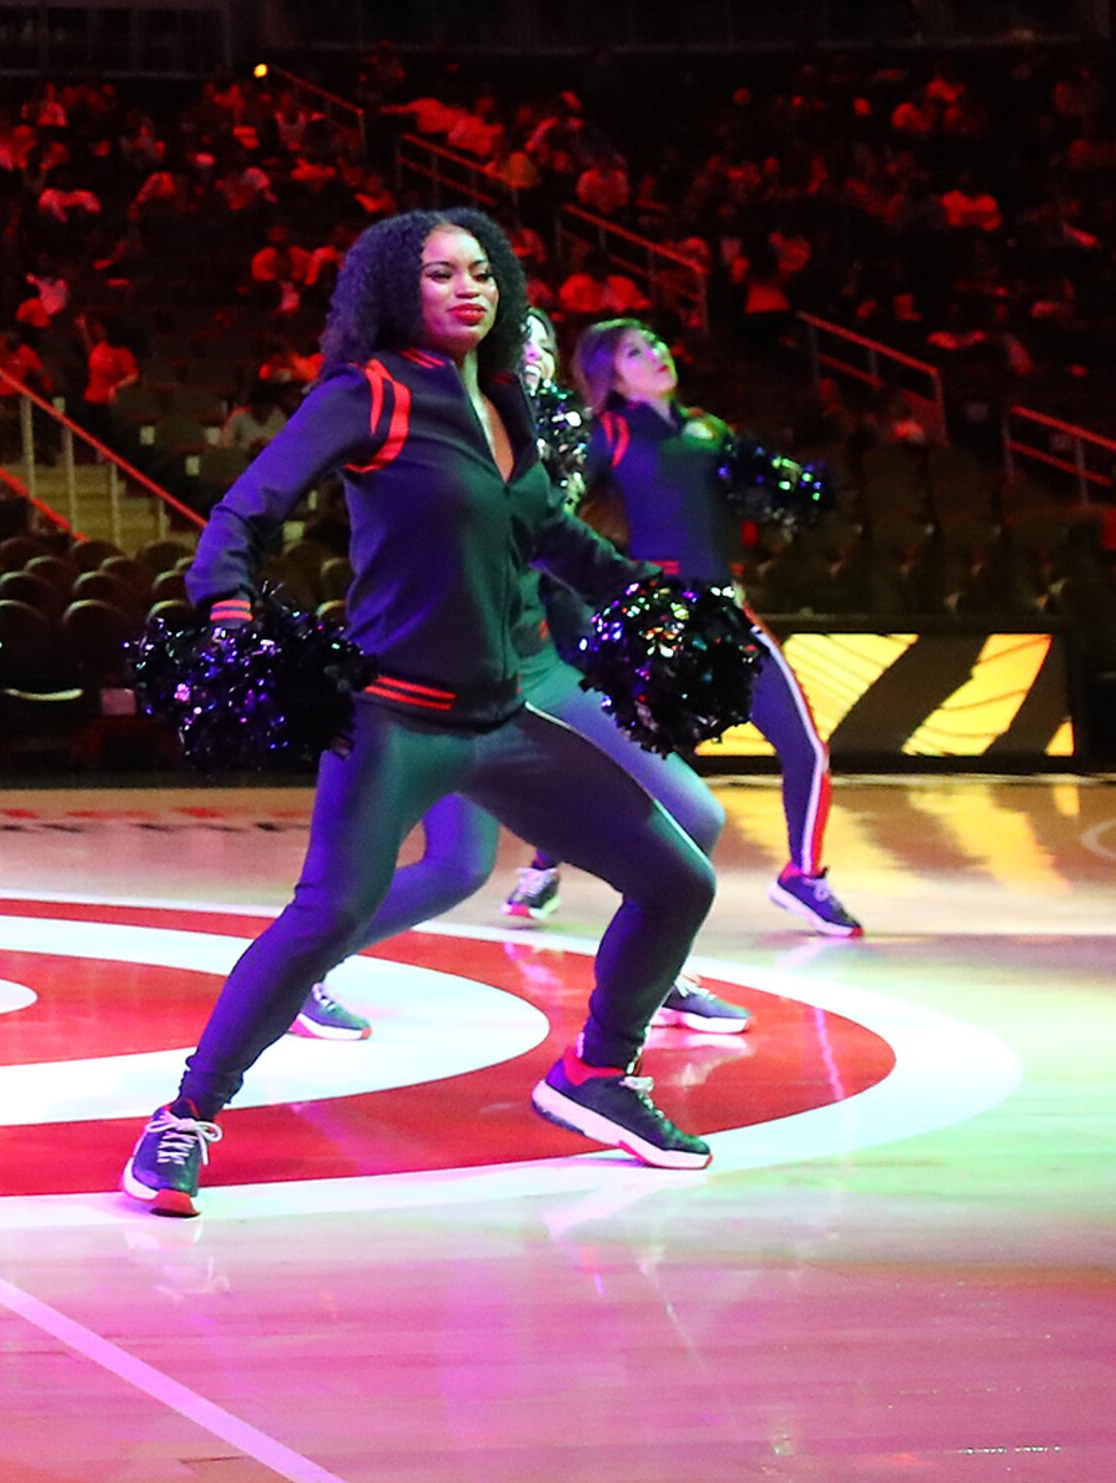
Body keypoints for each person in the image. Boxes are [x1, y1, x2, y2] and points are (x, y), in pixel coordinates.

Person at [116, 211, 720, 1216]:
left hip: (505, 719)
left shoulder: (503, 405)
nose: (468, 289)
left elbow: (545, 528)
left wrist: (646, 596)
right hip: (396, 716)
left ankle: (597, 1073)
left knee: (677, 879)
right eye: (442, 274)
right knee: (327, 917)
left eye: (481, 271)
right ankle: (184, 1114)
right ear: (401, 291)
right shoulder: (369, 395)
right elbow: (246, 512)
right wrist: (227, 605)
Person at [285, 307, 754, 1044]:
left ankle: (652, 974)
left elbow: (573, 542)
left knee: (696, 815)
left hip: (541, 667)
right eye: (515, 340)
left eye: (540, 342)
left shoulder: (551, 438)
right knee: (456, 868)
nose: (530, 352)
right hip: (440, 679)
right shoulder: (427, 435)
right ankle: (304, 966)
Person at [516, 320, 859, 935]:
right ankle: (542, 868)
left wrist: (801, 490)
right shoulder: (609, 433)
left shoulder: (712, 430)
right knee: (616, 758)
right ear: (611, 374)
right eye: (635, 351)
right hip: (658, 614)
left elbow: (768, 492)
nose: (657, 353)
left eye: (657, 343)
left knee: (805, 744)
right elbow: (552, 518)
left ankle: (804, 877)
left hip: (727, 608)